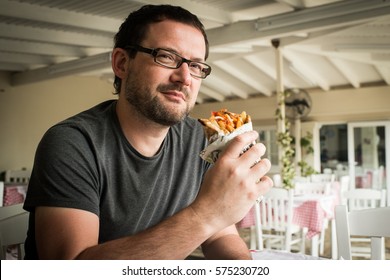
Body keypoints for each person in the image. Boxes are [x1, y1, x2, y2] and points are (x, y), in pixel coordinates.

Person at [23, 4, 272, 260]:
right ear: (122, 63)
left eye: (196, 65)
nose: (185, 77)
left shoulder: (202, 140)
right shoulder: (74, 143)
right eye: (166, 56)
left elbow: (222, 235)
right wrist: (206, 214)